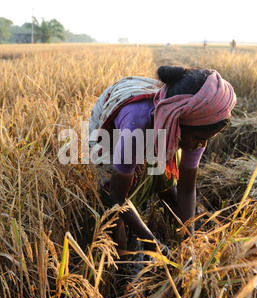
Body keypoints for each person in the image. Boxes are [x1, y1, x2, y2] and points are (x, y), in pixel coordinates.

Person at [89, 66, 237, 258]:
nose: (202, 145)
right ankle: (123, 266)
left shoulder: (197, 126)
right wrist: (155, 246)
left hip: (157, 124)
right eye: (199, 138)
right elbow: (118, 196)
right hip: (111, 130)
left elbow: (187, 189)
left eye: (208, 139)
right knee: (113, 210)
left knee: (165, 180)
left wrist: (190, 241)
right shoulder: (137, 127)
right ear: (176, 123)